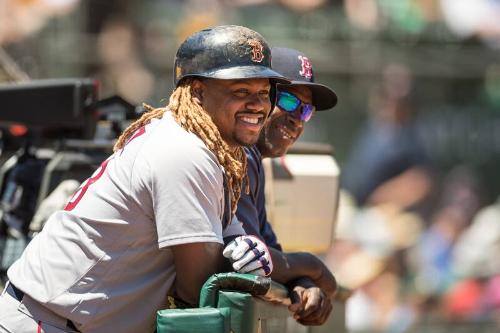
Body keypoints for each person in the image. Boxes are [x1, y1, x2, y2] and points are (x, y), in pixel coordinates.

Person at [0, 25, 288, 333]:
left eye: (263, 92)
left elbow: (226, 249)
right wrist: (306, 268)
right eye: (241, 91)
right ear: (198, 92)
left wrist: (253, 255)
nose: (258, 104)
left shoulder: (210, 149)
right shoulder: (182, 150)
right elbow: (199, 289)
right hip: (46, 322)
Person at [234, 47, 339, 326]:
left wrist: (303, 281)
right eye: (289, 101)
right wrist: (313, 267)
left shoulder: (254, 161)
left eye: (306, 111)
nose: (297, 119)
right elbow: (255, 260)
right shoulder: (237, 154)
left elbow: (268, 247)